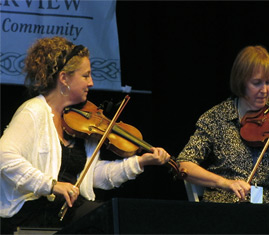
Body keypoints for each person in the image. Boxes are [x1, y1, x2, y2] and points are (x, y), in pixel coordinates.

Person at [0, 36, 171, 233]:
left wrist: (139, 163)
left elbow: (93, 175)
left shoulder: (78, 119)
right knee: (109, 220)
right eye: (85, 76)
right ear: (64, 78)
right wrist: (51, 185)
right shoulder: (33, 111)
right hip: (33, 211)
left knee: (121, 216)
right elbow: (4, 157)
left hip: (66, 209)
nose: (91, 83)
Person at [177, 45, 269, 234]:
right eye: (256, 83)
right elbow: (184, 164)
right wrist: (226, 183)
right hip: (230, 206)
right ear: (241, 82)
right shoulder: (217, 117)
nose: (265, 90)